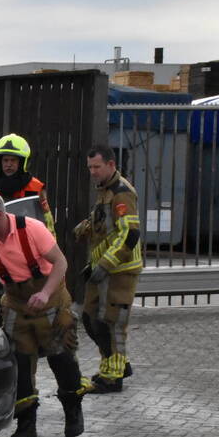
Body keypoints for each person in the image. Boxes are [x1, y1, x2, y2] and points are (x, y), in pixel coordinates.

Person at [0, 190, 85, 437]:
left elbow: (61, 263)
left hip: (51, 300)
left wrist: (45, 293)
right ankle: (26, 425)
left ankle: (73, 412)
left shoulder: (32, 229)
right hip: (16, 304)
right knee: (20, 365)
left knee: (61, 358)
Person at [74, 145, 142, 394]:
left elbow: (130, 234)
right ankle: (118, 364)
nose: (92, 172)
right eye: (90, 167)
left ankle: (112, 376)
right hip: (102, 267)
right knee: (91, 319)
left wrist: (104, 265)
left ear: (111, 165)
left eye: (97, 167)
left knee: (111, 322)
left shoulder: (122, 192)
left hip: (120, 270)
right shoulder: (105, 190)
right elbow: (104, 222)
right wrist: (86, 226)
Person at [0, 133, 56, 235]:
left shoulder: (36, 187)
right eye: (5, 160)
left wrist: (50, 246)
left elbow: (47, 222)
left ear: (22, 162)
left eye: (13, 160)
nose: (8, 164)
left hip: (26, 241)